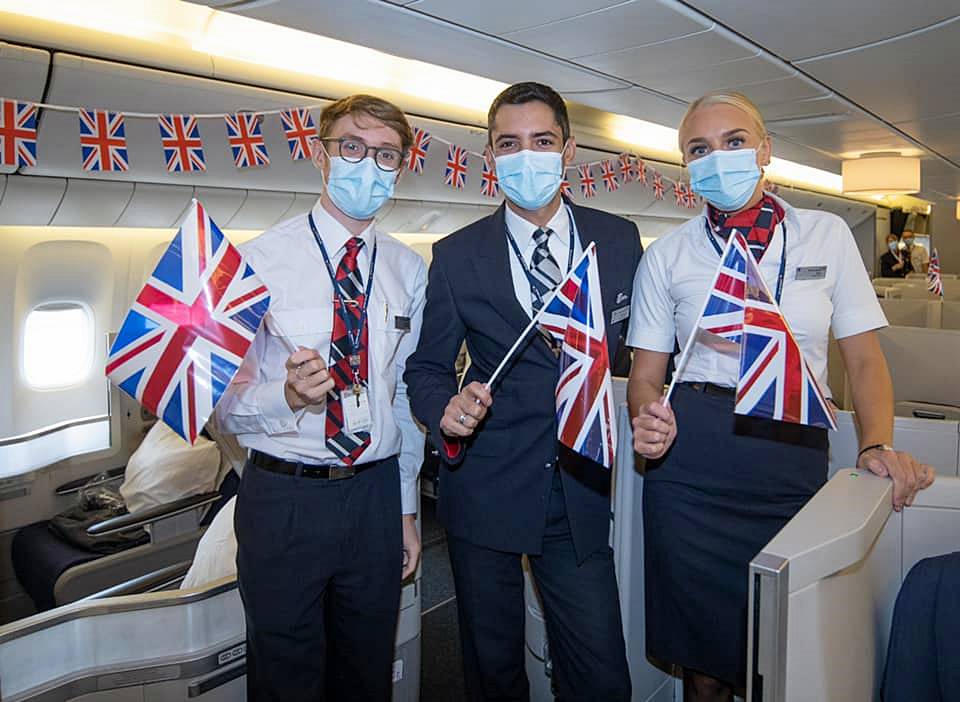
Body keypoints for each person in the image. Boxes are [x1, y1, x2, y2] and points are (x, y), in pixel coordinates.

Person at [626, 90, 936, 701]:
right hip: (692, 460)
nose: (718, 157)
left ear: (765, 151)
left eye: (734, 142)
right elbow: (644, 374)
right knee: (704, 666)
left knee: (781, 651)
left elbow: (865, 360)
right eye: (700, 148)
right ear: (686, 167)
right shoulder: (668, 254)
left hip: (789, 448)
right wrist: (647, 417)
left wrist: (876, 442)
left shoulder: (826, 235)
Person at [404, 81, 641, 702]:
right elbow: (425, 370)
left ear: (568, 150)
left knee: (600, 673)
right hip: (485, 484)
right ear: (490, 156)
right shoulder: (457, 256)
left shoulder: (616, 240)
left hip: (578, 483)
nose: (526, 155)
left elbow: (640, 350)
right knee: (493, 667)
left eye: (542, 141)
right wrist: (444, 410)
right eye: (510, 144)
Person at [216, 94, 427, 702]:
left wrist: (407, 508)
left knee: (367, 673)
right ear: (320, 153)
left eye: (386, 154)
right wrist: (283, 395)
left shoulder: (409, 271)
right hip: (284, 497)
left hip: (374, 495)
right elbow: (220, 408)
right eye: (352, 147)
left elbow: (404, 395)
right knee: (285, 676)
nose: (368, 165)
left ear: (402, 165)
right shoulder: (255, 262)